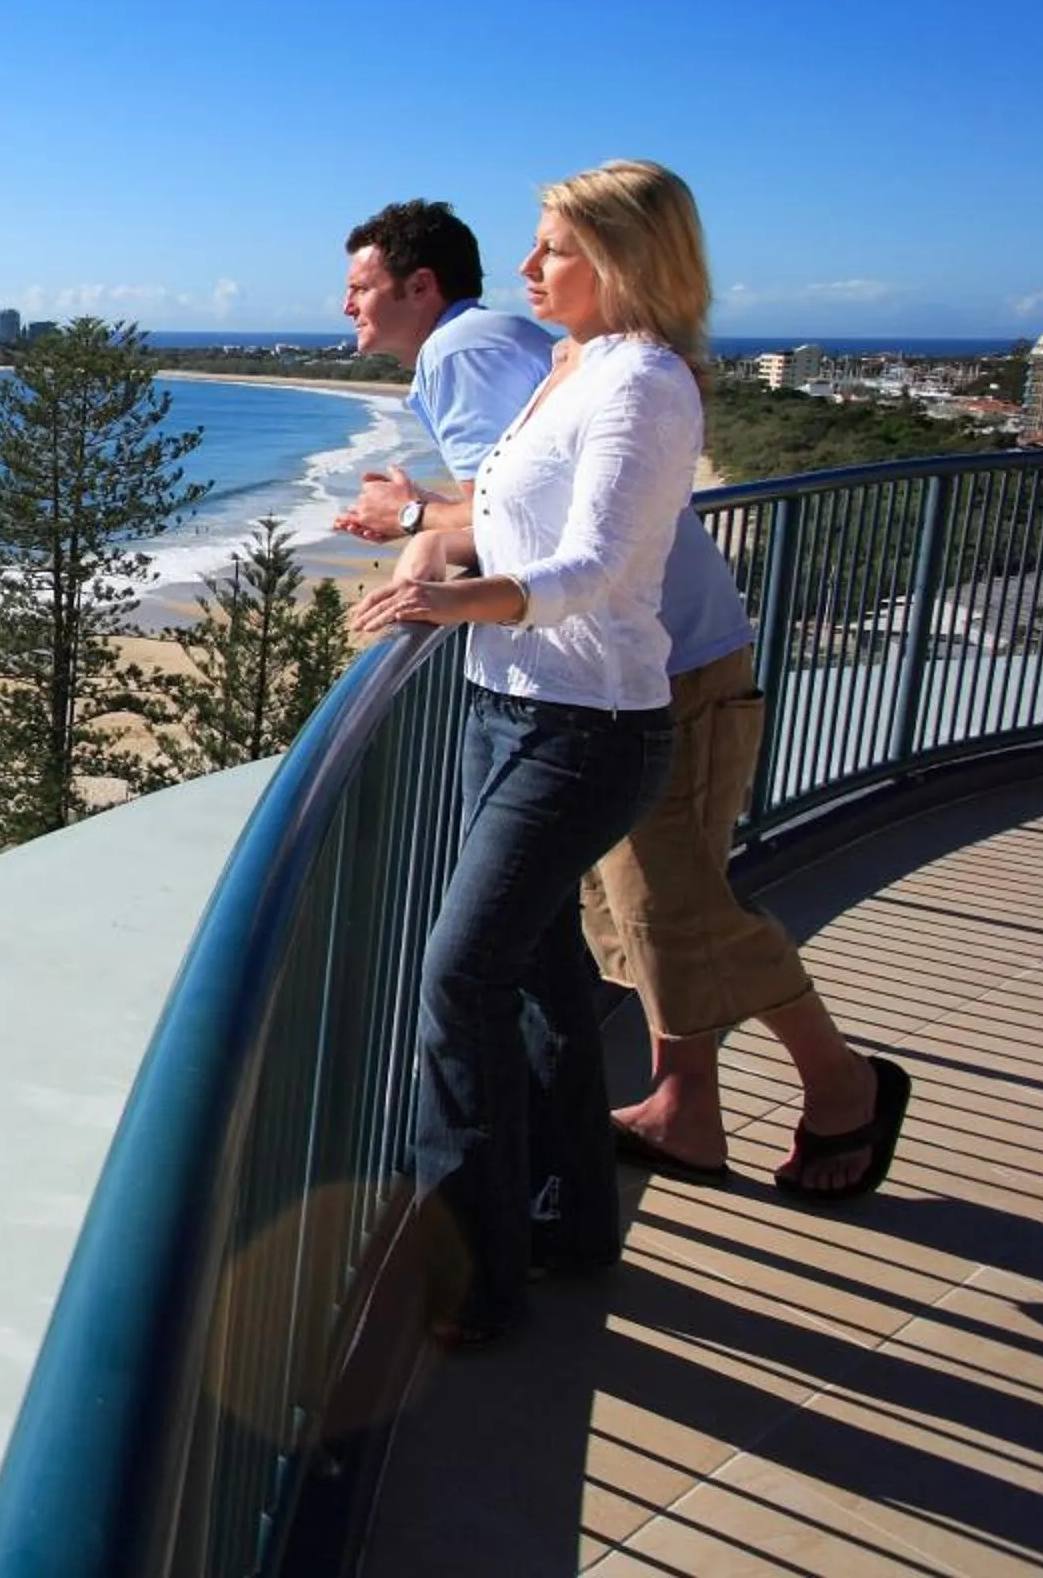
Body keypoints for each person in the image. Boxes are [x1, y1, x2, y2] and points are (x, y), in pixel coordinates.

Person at [333, 197, 904, 1205]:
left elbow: (524, 526)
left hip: (643, 664)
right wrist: (433, 514)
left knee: (673, 904)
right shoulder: (539, 344)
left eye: (361, 287)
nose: (346, 308)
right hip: (648, 651)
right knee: (628, 907)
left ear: (421, 287)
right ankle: (685, 1106)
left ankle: (844, 1086)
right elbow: (534, 486)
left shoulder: (463, 351)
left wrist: (415, 517)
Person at [351, 161, 717, 1344]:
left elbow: (597, 570)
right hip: (512, 709)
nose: (524, 269)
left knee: (461, 978)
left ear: (620, 258)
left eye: (551, 247)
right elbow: (502, 516)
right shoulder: (569, 365)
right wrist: (426, 538)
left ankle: (463, 1276)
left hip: (587, 725)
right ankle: (563, 1219)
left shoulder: (646, 382)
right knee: (546, 968)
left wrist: (446, 600)